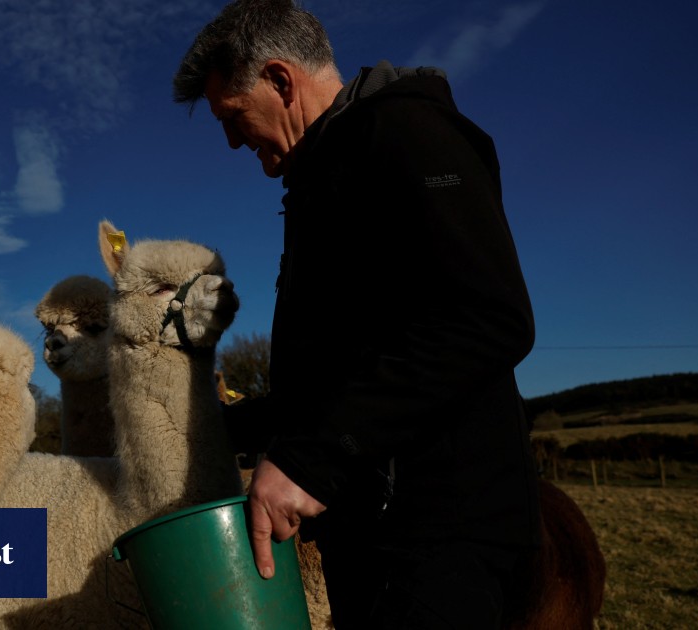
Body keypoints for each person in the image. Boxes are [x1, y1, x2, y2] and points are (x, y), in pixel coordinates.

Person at [173, 1, 541, 628]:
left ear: (281, 81)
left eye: (232, 117)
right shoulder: (323, 180)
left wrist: (311, 460)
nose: (233, 140)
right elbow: (340, 380)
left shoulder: (407, 135)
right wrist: (218, 427)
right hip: (377, 538)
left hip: (439, 539)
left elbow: (484, 316)